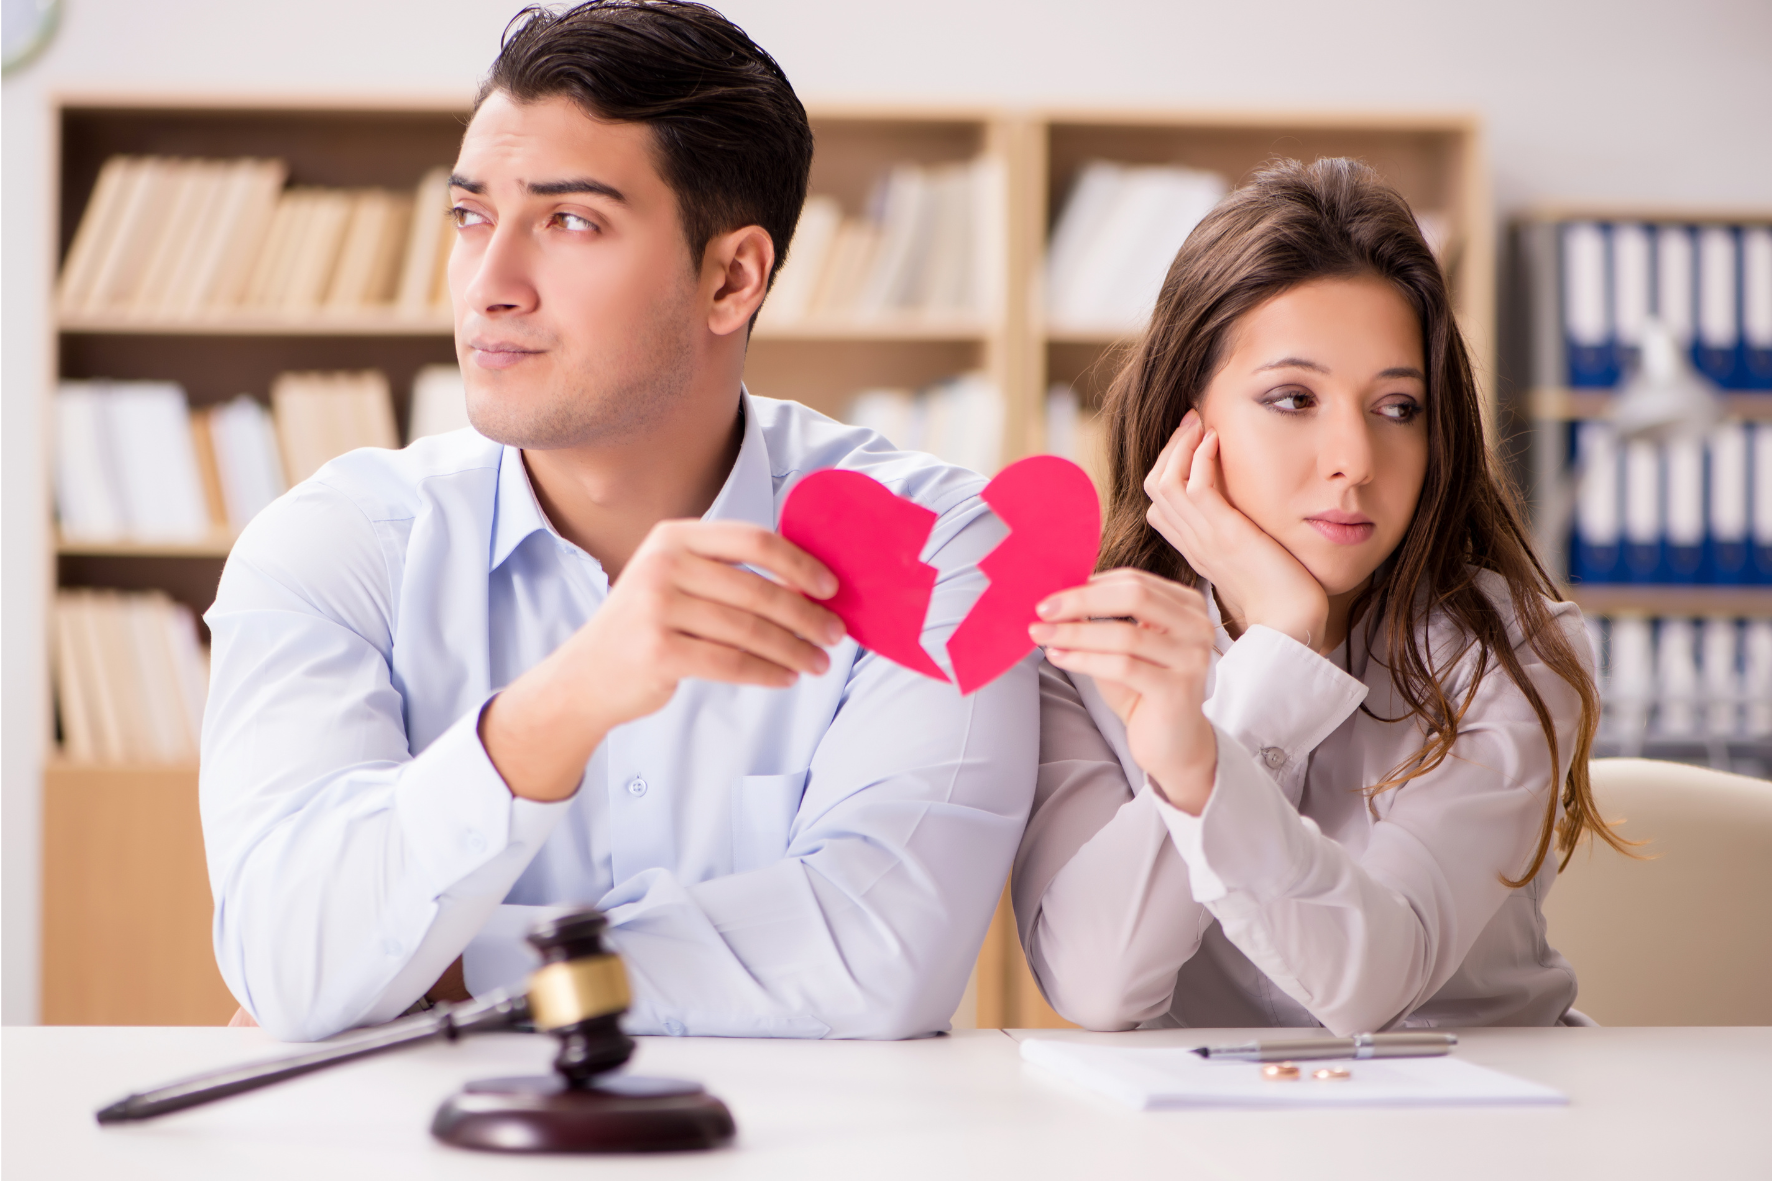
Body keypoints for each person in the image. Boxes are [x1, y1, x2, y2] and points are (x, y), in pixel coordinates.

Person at [201, 0, 1036, 1043]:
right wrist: (562, 703)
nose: (487, 285)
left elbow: (879, 954)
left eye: (570, 221)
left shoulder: (934, 542)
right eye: (470, 217)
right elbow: (290, 951)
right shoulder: (334, 543)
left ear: (732, 276)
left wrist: (445, 967)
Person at [1014, 158, 1628, 1035]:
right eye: (1293, 397)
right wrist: (1278, 653)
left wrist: (1241, 701)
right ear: (1187, 419)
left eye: (1398, 406)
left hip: (1488, 1117)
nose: (1356, 460)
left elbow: (1374, 982)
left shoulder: (1511, 648)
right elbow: (1098, 985)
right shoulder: (1087, 644)